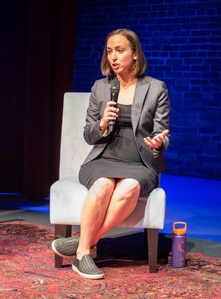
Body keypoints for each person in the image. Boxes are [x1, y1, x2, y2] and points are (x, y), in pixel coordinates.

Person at [51, 28, 170, 279]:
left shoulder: (156, 88)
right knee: (103, 185)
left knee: (128, 188)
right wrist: (102, 125)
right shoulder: (100, 87)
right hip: (102, 160)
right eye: (109, 51)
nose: (113, 57)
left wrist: (159, 143)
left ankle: (83, 243)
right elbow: (88, 134)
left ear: (135, 54)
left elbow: (163, 133)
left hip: (140, 163)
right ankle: (84, 252)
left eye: (120, 50)